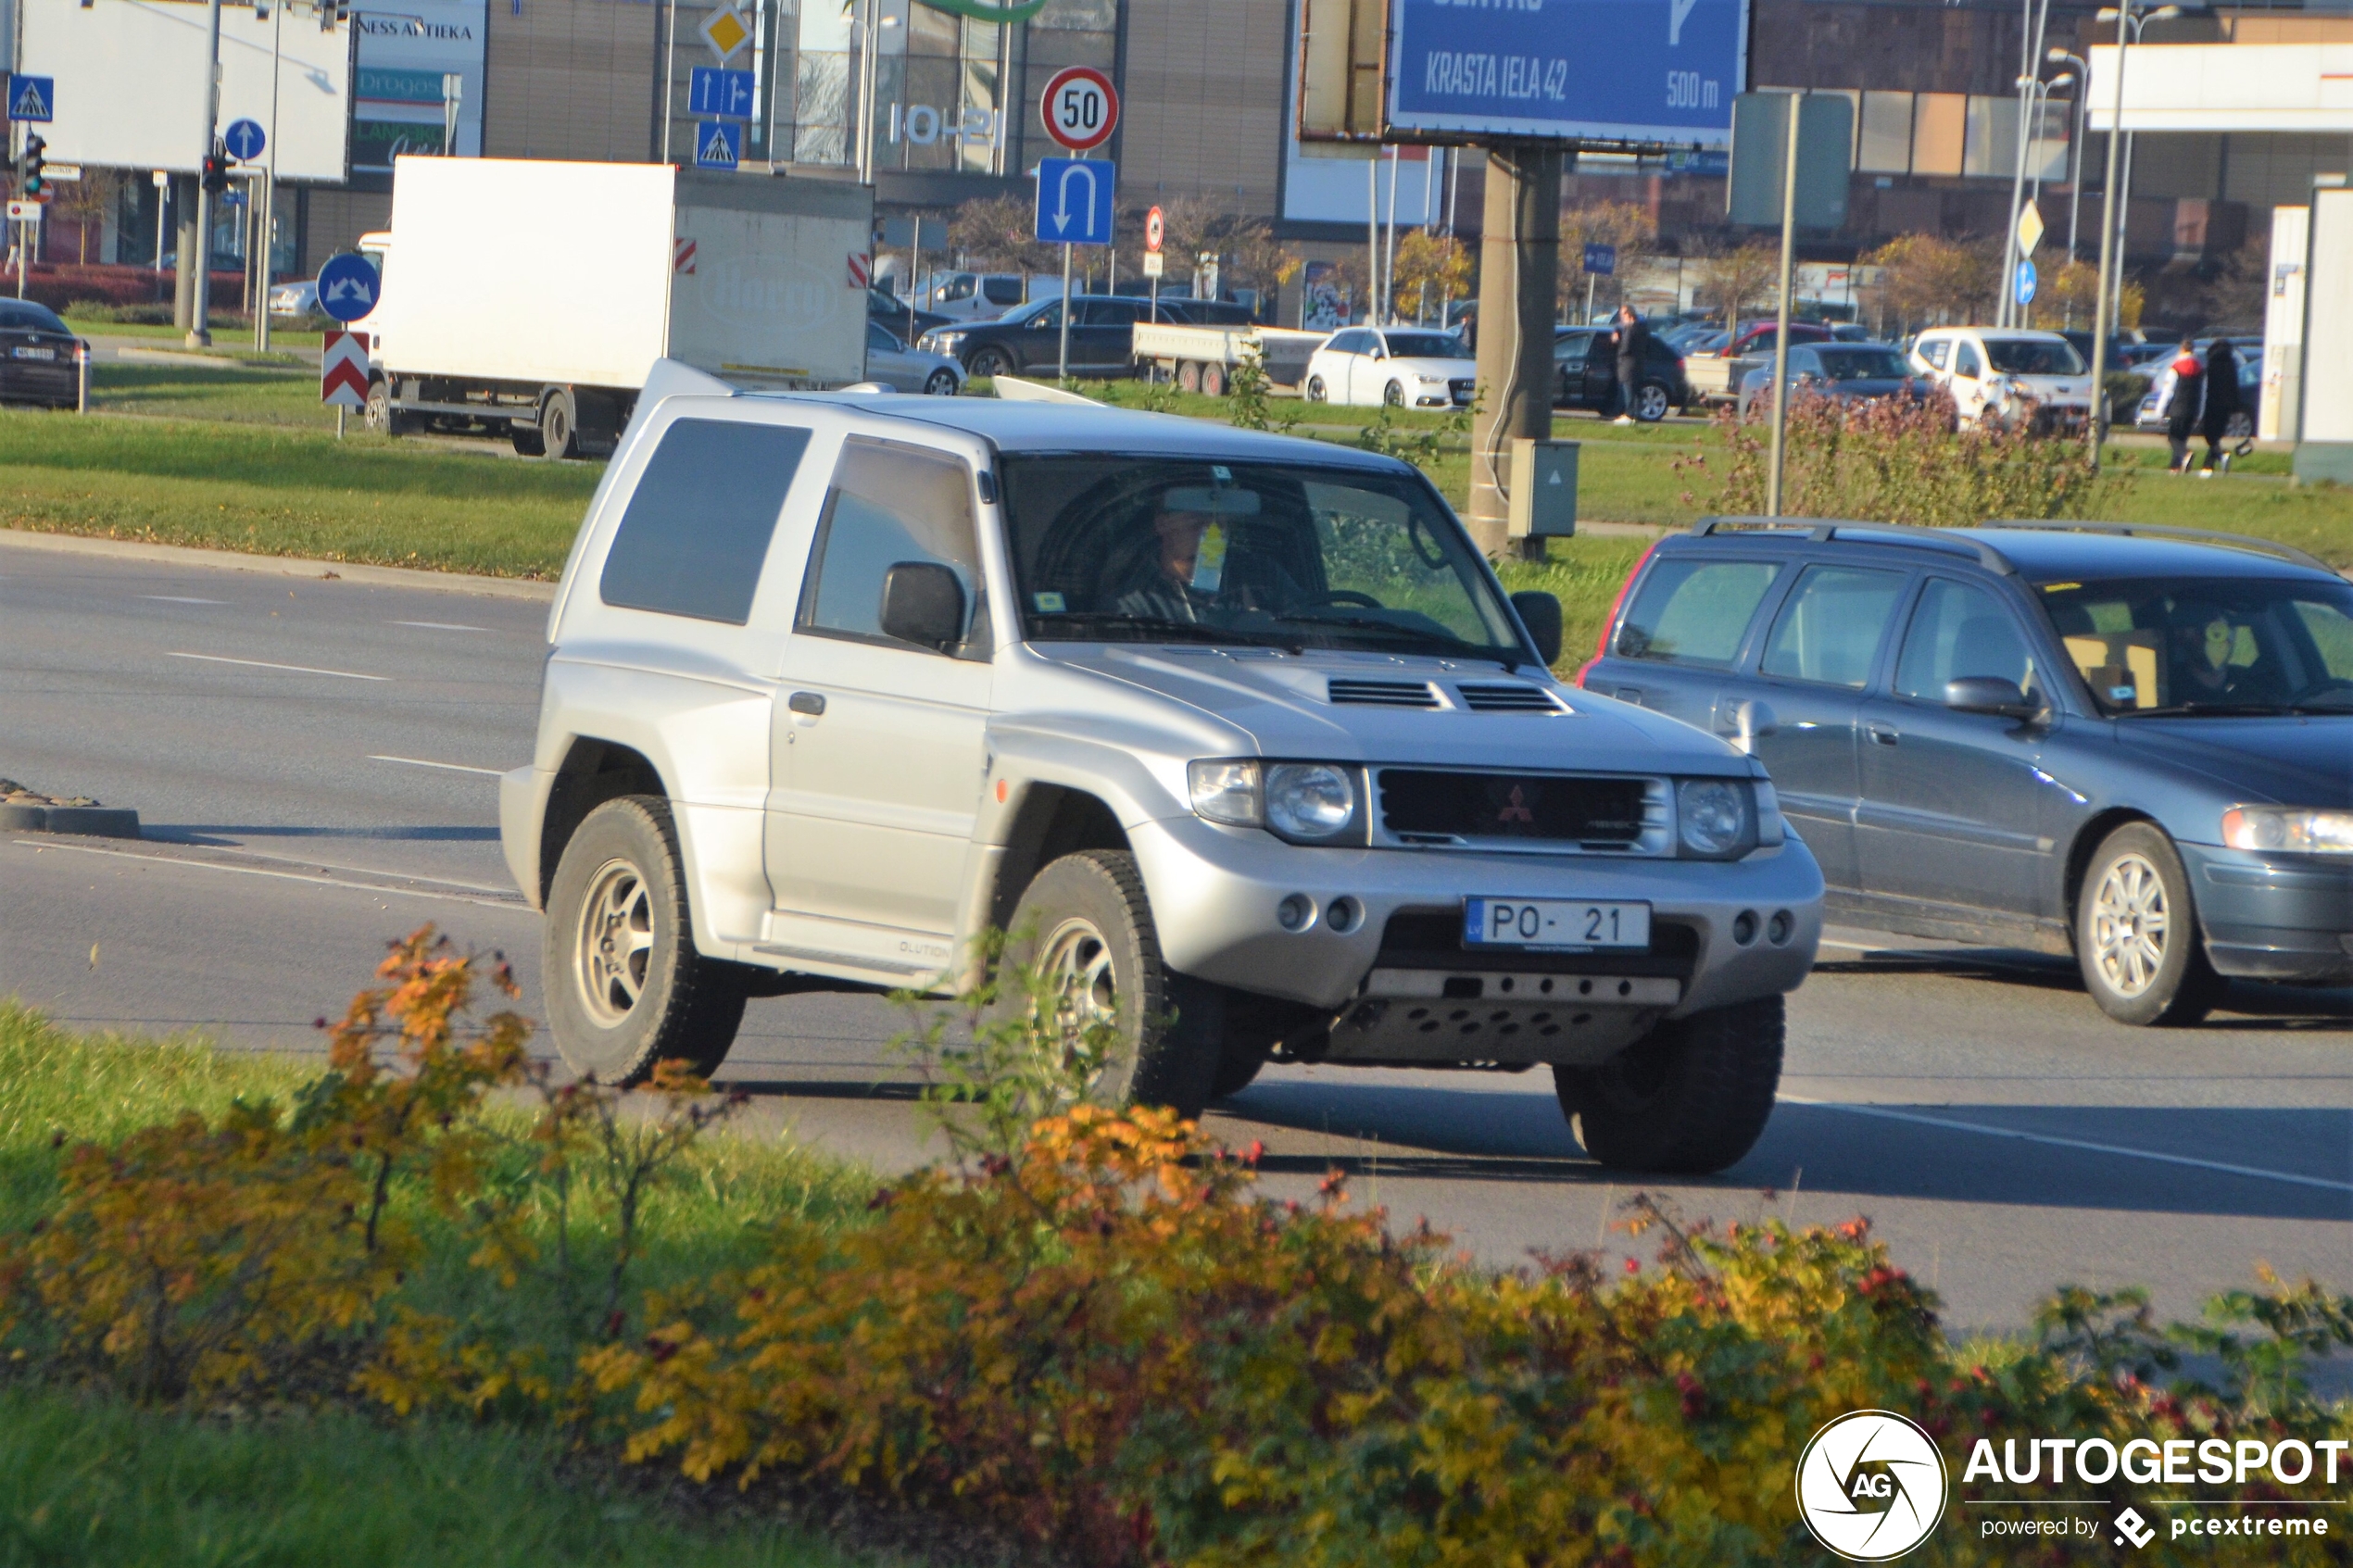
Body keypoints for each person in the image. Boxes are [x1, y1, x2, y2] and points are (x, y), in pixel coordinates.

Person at [2199, 337, 2242, 476]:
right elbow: (2234, 387)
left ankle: (2220, 455)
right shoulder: (2231, 364)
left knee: (2209, 435)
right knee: (2216, 435)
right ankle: (2207, 467)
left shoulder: (2212, 363)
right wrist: (2235, 408)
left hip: (2212, 402)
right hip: (2227, 405)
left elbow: (2207, 385)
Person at [2161, 337, 2203, 475]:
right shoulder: (2200, 369)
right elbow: (2203, 392)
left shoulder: (2176, 367)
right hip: (2193, 409)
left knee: (2173, 438)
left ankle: (2185, 455)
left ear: (2182, 349)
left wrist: (2160, 409)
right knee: (2182, 439)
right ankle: (2175, 468)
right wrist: (2200, 412)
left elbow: (2168, 390)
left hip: (2177, 408)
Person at [1611, 305, 1648, 424]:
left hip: (1628, 365)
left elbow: (1625, 347)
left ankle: (1629, 415)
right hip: (1638, 364)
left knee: (1628, 391)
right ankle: (1635, 415)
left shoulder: (1630, 329)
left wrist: (1617, 341)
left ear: (1628, 314)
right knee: (1635, 391)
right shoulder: (1642, 328)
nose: (1621, 318)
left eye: (1622, 315)